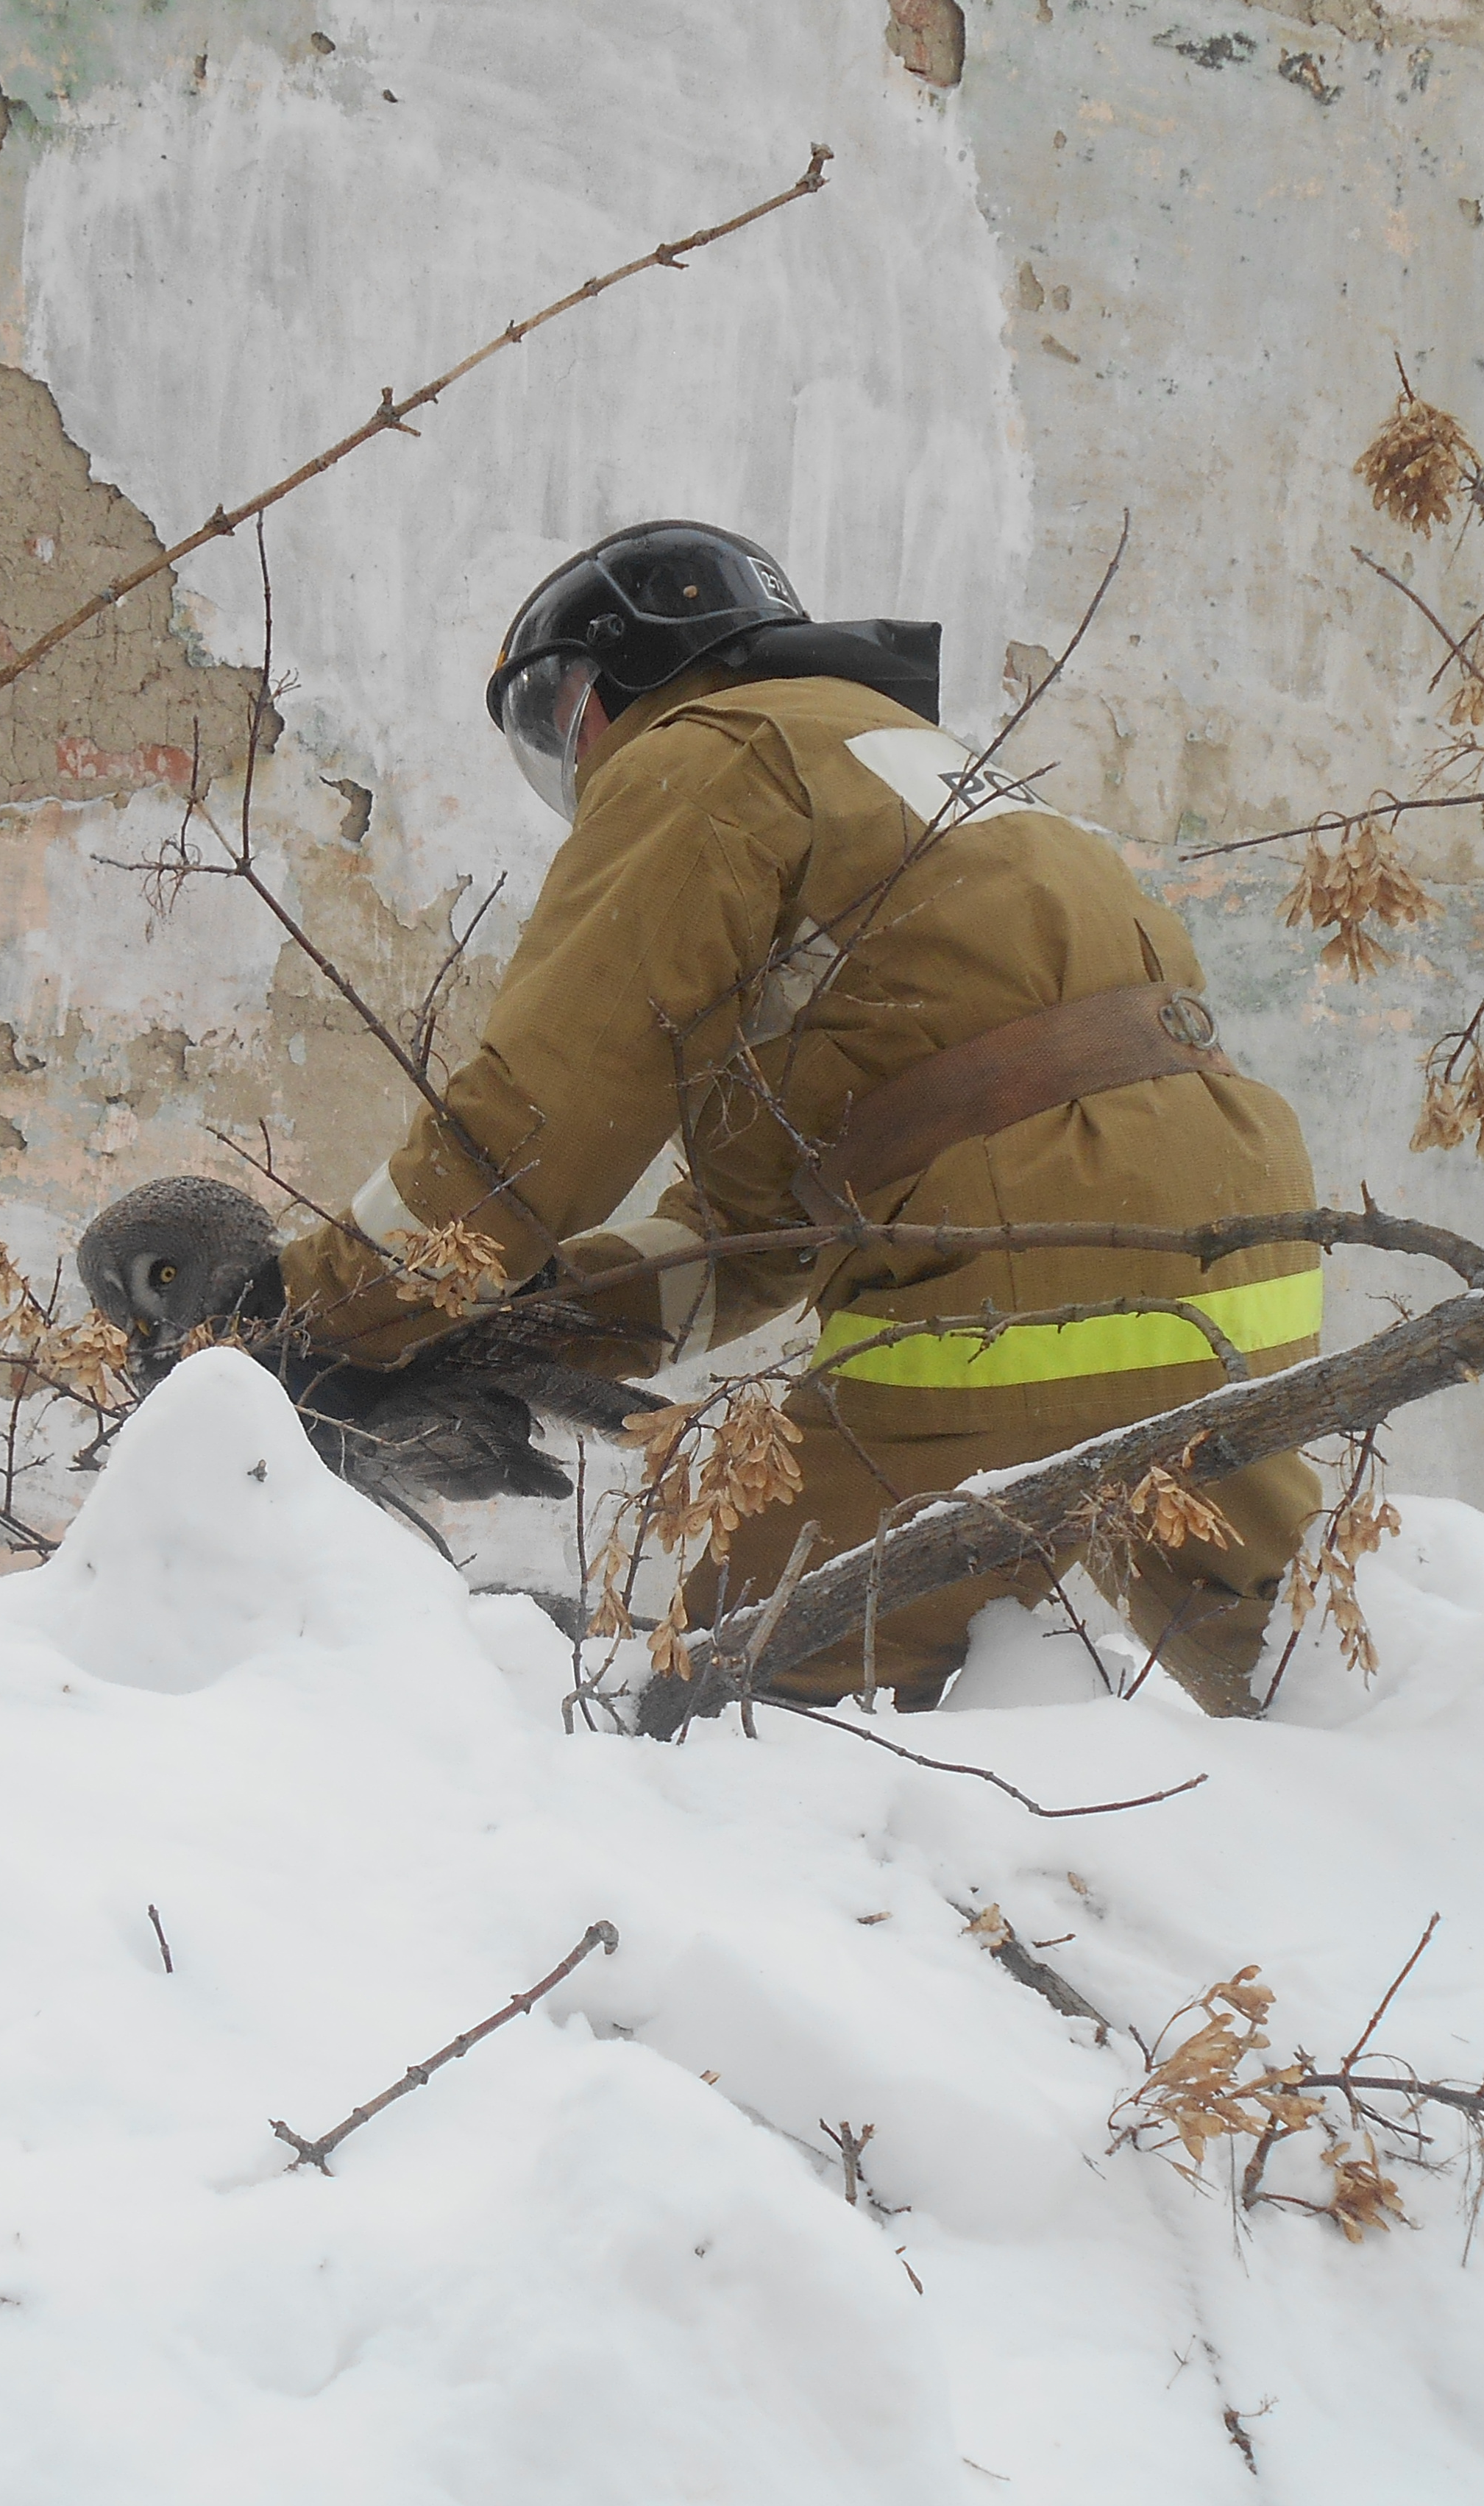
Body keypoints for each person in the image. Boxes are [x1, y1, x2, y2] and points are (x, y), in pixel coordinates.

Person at [276, 519, 1324, 1713]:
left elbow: (528, 1125)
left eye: (556, 718)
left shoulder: (704, 755)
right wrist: (532, 1330)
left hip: (1021, 1267)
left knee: (730, 1713)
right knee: (1307, 1684)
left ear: (613, 687)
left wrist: (306, 1317)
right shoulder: (904, 762)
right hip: (1242, 1260)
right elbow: (760, 1230)